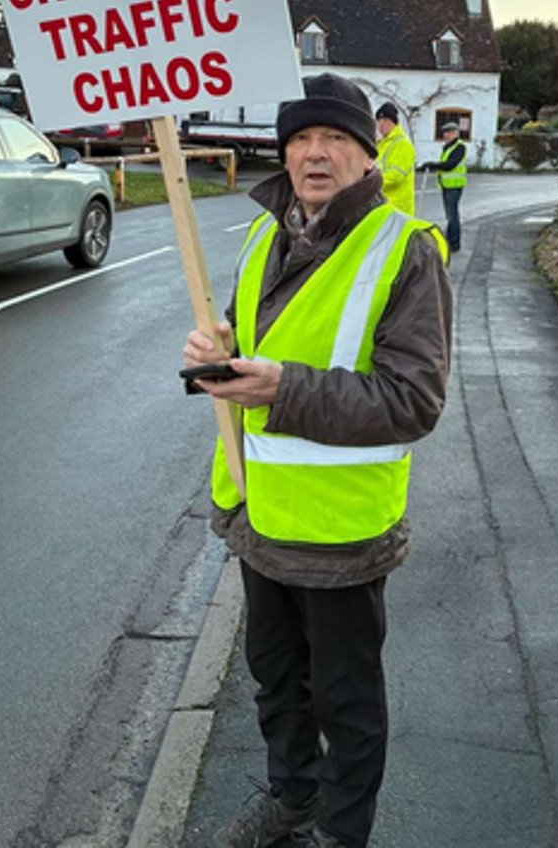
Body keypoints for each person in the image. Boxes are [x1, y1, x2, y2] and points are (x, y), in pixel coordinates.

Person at [183, 73, 452, 848]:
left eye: (335, 138)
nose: (314, 154)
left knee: (347, 701)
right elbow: (248, 338)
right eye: (300, 138)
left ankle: (340, 833)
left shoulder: (405, 252)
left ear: (369, 155)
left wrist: (282, 389)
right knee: (274, 680)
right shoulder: (267, 235)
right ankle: (291, 800)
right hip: (258, 514)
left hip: (340, 534)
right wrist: (220, 348)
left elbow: (413, 401)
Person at [417, 121, 467, 253]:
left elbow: (450, 165)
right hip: (446, 185)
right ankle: (450, 239)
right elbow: (444, 164)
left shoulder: (459, 147)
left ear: (456, 133)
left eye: (449, 132)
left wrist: (432, 165)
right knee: (449, 214)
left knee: (452, 215)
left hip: (454, 186)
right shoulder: (448, 147)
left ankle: (454, 243)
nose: (446, 135)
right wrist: (426, 166)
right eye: (445, 132)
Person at [374, 101, 415, 215]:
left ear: (394, 123)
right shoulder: (381, 144)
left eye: (386, 120)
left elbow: (396, 176)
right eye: (379, 120)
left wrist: (371, 183)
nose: (381, 124)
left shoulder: (402, 144)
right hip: (382, 204)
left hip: (398, 208)